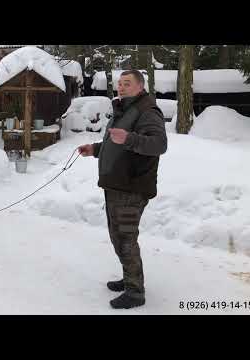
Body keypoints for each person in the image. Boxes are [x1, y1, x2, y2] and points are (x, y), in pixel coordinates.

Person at [78, 70, 168, 309]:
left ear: (140, 87)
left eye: (127, 83)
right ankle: (130, 278)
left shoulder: (147, 111)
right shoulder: (124, 109)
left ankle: (135, 292)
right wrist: (95, 149)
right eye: (120, 83)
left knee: (126, 237)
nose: (121, 87)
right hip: (116, 185)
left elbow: (159, 144)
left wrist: (128, 138)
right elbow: (115, 142)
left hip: (132, 187)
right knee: (117, 236)